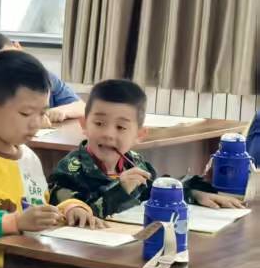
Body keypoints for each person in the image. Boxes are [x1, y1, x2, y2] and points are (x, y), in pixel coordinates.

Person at [0, 50, 98, 268]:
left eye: (42, 113)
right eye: (25, 114)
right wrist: (15, 222)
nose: (36, 123)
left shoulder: (29, 158)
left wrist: (70, 209)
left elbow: (37, 208)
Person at [48, 79, 243, 216]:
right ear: (84, 125)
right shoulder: (70, 169)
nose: (108, 134)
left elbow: (155, 189)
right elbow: (75, 211)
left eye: (121, 127)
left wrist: (194, 193)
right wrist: (121, 189)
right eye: (99, 123)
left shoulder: (135, 162)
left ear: (139, 135)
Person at [0, 31, 85, 125]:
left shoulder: (43, 76)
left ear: (18, 46)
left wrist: (62, 111)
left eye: (13, 55)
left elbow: (82, 107)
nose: (13, 63)